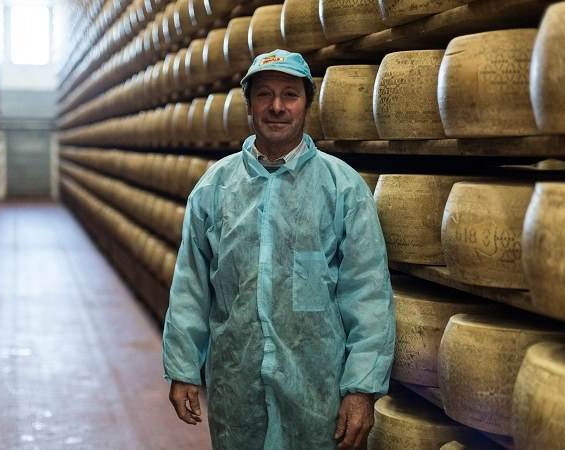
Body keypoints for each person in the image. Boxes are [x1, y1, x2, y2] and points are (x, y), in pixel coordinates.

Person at [162, 49, 395, 450]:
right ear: (249, 105)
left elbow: (367, 292)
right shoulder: (215, 187)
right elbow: (191, 287)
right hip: (237, 387)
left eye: (290, 95)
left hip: (317, 391)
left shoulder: (342, 187)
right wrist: (183, 367)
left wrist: (361, 388)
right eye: (264, 95)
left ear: (307, 104)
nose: (276, 107)